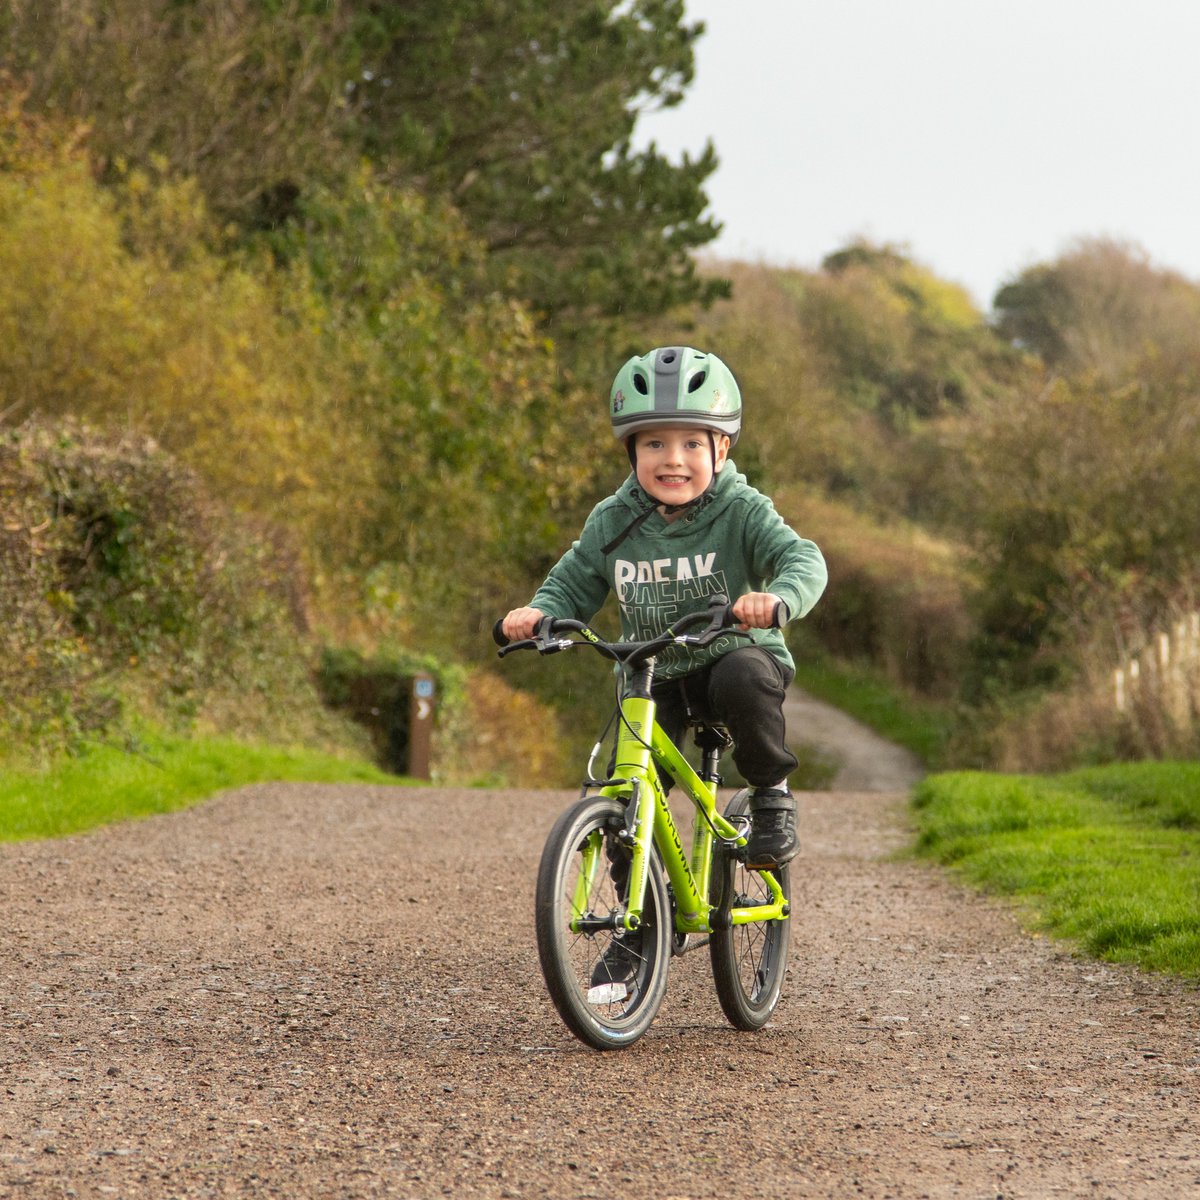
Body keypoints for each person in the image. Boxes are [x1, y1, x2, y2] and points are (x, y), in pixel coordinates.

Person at [502, 345, 827, 870]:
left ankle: (771, 797)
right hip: (653, 673)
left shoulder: (742, 510)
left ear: (720, 451)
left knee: (744, 676)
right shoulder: (612, 520)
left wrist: (780, 597)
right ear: (631, 451)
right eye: (654, 442)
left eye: (690, 443)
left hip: (733, 656)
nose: (672, 458)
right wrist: (538, 614)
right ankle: (638, 932)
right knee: (629, 801)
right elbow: (575, 580)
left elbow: (802, 558)